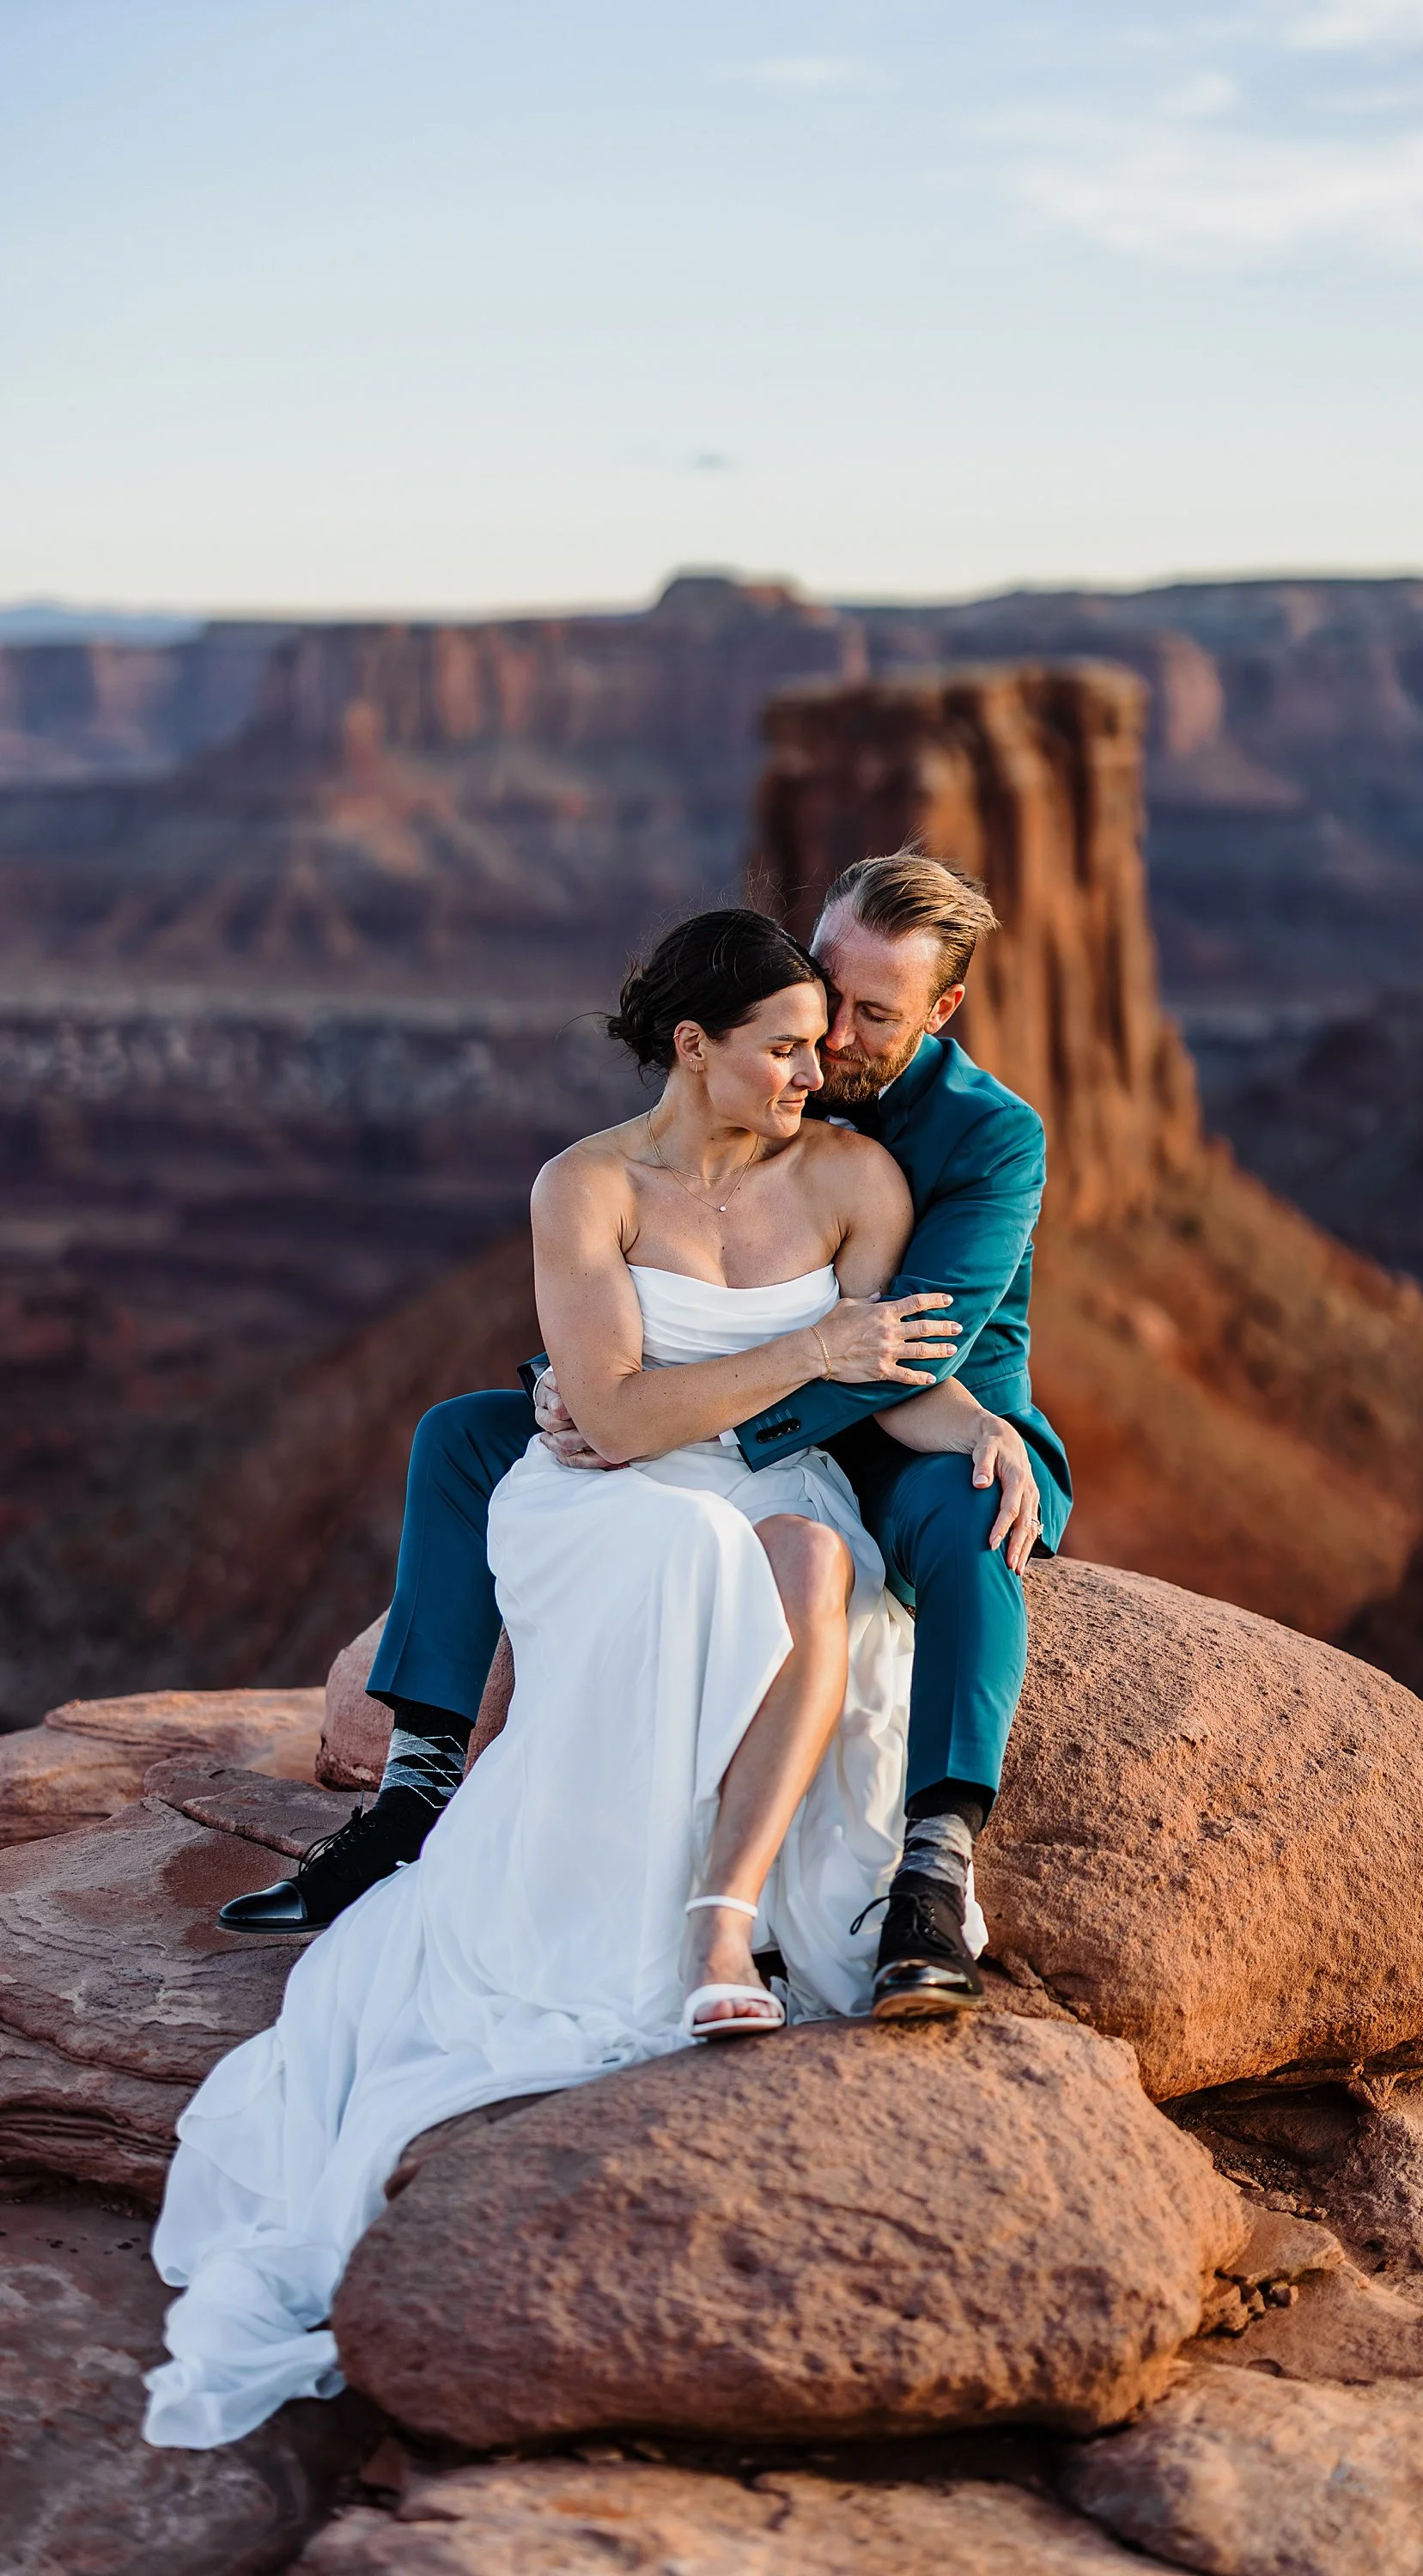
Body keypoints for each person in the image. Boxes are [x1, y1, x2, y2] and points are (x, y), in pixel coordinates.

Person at [144, 906, 1043, 2448]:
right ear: (697, 1044)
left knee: (814, 1564)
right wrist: (797, 1355)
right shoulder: (585, 1182)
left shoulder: (869, 1174)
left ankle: (724, 1921)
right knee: (623, 1521)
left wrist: (983, 1434)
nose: (818, 1070)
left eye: (837, 1040)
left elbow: (893, 1370)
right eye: (789, 1043)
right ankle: (445, 1801)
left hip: (779, 1477)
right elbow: (614, 1420)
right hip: (607, 1487)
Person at [222, 853, 1073, 2015]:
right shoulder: (761, 1068)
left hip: (912, 1421)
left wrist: (666, 1418)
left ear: (943, 1011)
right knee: (463, 1438)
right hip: (723, 1404)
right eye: (825, 998)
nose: (833, 1045)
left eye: (874, 1017)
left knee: (979, 1516)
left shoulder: (983, 1139)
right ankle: (415, 1798)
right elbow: (652, 1272)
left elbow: (905, 1349)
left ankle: (930, 1868)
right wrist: (576, 1387)